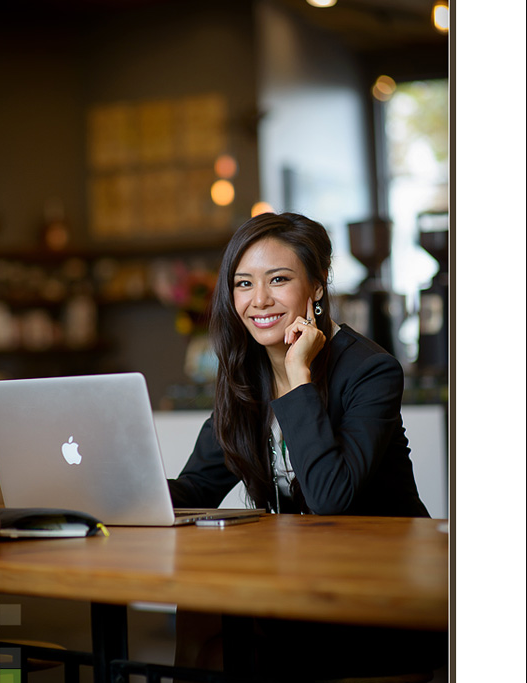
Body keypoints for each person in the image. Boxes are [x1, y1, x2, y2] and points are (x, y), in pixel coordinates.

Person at [168, 211, 428, 518]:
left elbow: (329, 499)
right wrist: (116, 491)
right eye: (244, 283)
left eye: (278, 279)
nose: (260, 300)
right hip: (303, 559)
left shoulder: (371, 371)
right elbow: (198, 488)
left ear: (317, 285)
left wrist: (298, 377)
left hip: (385, 555)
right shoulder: (248, 371)